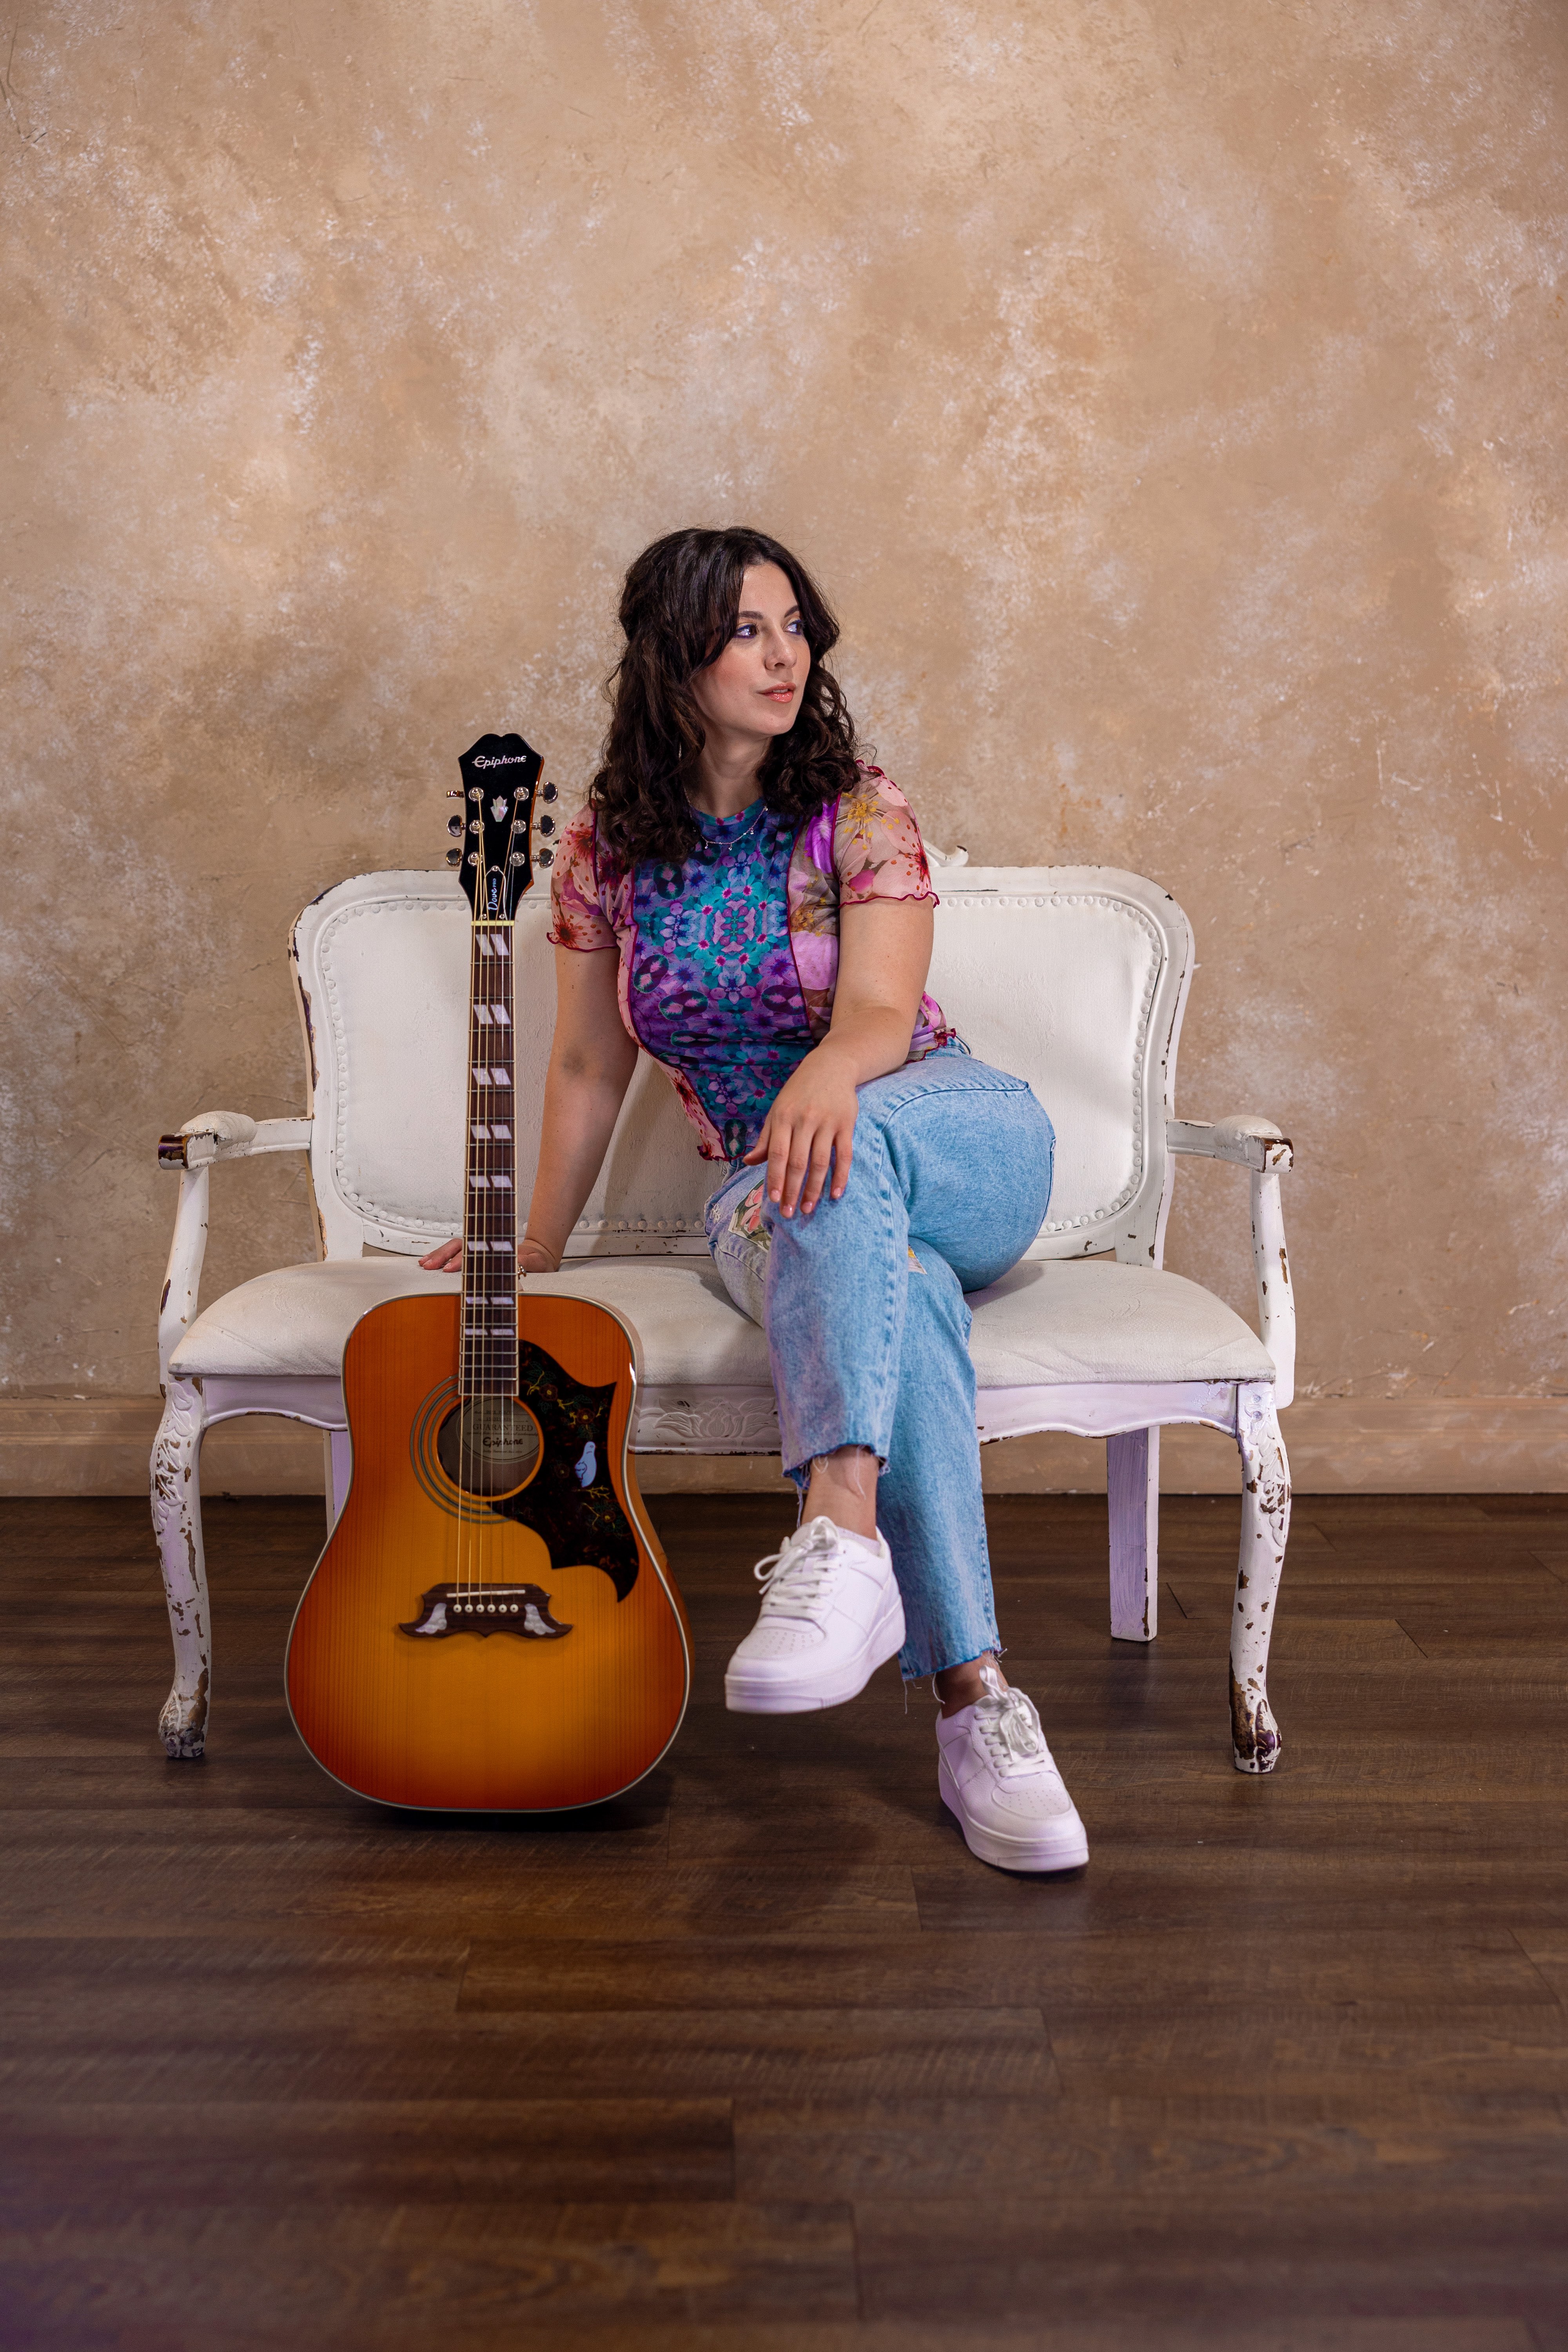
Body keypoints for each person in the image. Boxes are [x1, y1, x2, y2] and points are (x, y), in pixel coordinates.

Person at [422, 528, 1087, 1873]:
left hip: (952, 1133)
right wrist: (533, 1237)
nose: (783, 655)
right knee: (885, 1280)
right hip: (776, 1201)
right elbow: (584, 1064)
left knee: (846, 1150)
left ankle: (837, 1536)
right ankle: (979, 1708)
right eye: (746, 631)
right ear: (674, 658)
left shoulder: (858, 806)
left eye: (795, 627)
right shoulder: (609, 848)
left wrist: (823, 1083)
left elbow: (885, 1014)